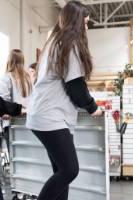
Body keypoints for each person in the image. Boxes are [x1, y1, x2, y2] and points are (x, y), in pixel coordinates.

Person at [26, 1, 102, 200]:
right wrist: (93, 107)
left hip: (44, 114)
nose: (86, 28)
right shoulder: (70, 44)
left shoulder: (54, 41)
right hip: (50, 116)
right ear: (77, 22)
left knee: (61, 171)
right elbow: (76, 85)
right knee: (70, 170)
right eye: (85, 23)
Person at [0, 49, 32, 152]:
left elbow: (4, 102)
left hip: (12, 123)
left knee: (15, 159)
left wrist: (4, 113)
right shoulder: (28, 78)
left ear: (9, 60)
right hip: (28, 122)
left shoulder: (7, 78)